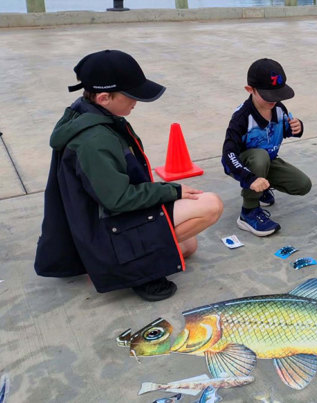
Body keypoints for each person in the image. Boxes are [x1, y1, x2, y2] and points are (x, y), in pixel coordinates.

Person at [34, 50, 223, 302]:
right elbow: (118, 199)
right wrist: (171, 191)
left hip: (103, 219)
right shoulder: (94, 140)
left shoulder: (88, 114)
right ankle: (122, 267)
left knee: (189, 246)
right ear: (103, 97)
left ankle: (123, 257)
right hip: (106, 228)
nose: (137, 101)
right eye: (131, 95)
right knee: (210, 205)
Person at [221, 58, 311, 237]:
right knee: (259, 157)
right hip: (241, 166)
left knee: (303, 185)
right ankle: (248, 212)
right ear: (250, 90)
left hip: (267, 161)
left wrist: (296, 128)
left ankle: (262, 189)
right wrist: (249, 178)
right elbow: (228, 154)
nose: (275, 100)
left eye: (278, 94)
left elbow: (283, 130)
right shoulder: (242, 117)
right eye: (268, 95)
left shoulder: (278, 108)